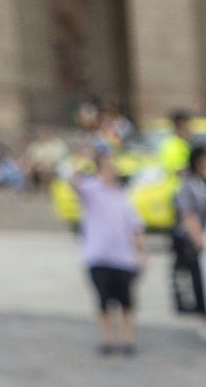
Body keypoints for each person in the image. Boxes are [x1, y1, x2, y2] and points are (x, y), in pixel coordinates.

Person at [72, 149, 146, 356]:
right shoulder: (91, 189)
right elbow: (73, 181)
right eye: (107, 166)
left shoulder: (123, 195)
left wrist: (141, 251)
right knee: (103, 300)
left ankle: (127, 339)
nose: (112, 170)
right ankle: (106, 340)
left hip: (123, 257)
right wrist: (85, 162)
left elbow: (135, 226)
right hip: (98, 255)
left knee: (126, 302)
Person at [171, 143, 206, 340]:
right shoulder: (189, 186)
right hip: (196, 241)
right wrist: (199, 240)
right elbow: (188, 215)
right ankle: (205, 318)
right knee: (200, 281)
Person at [160, 111, 194, 177]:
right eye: (187, 126)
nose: (190, 130)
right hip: (177, 183)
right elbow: (180, 172)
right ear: (178, 127)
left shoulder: (182, 144)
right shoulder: (173, 146)